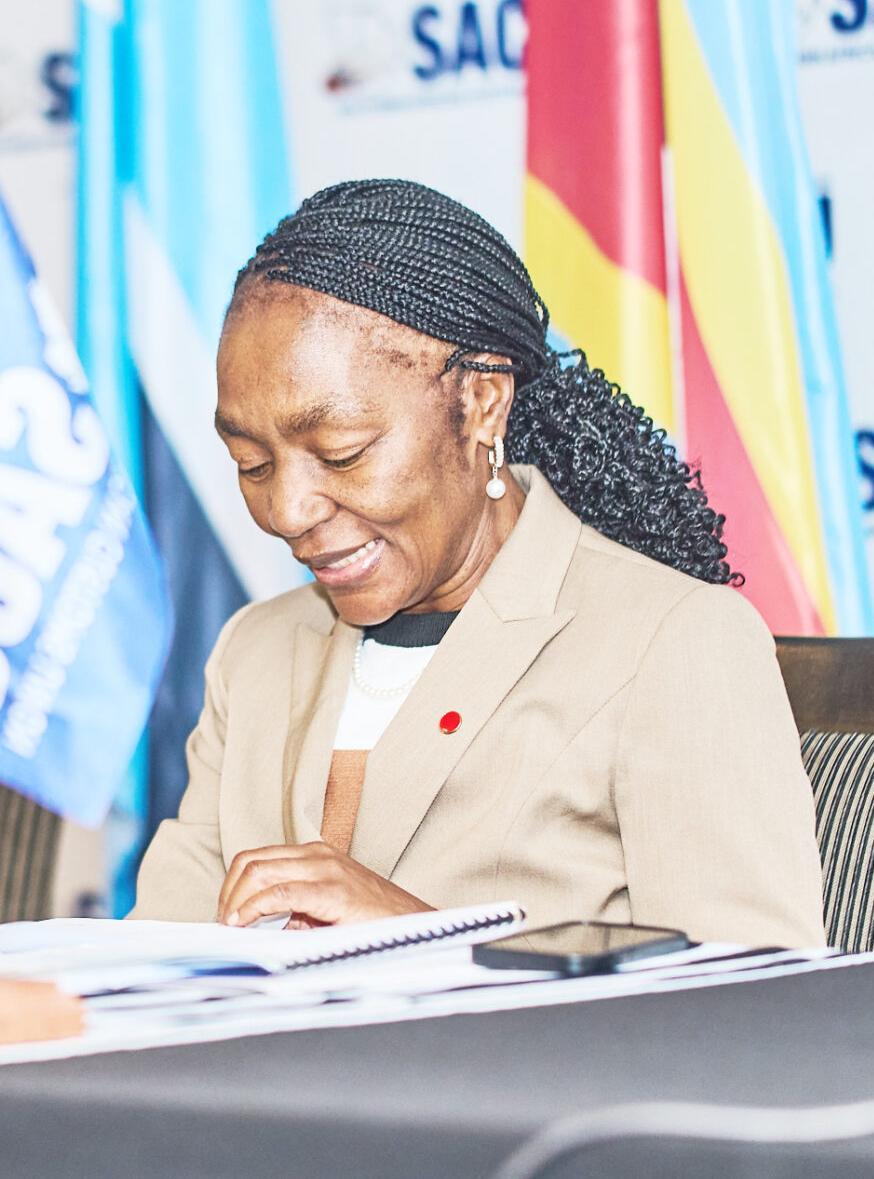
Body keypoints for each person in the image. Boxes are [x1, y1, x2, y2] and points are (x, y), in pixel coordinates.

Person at [130, 179, 824, 947]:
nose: (287, 511)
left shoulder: (671, 641)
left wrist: (425, 937)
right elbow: (156, 952)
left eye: (341, 453)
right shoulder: (253, 653)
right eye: (252, 463)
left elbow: (749, 991)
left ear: (484, 403)